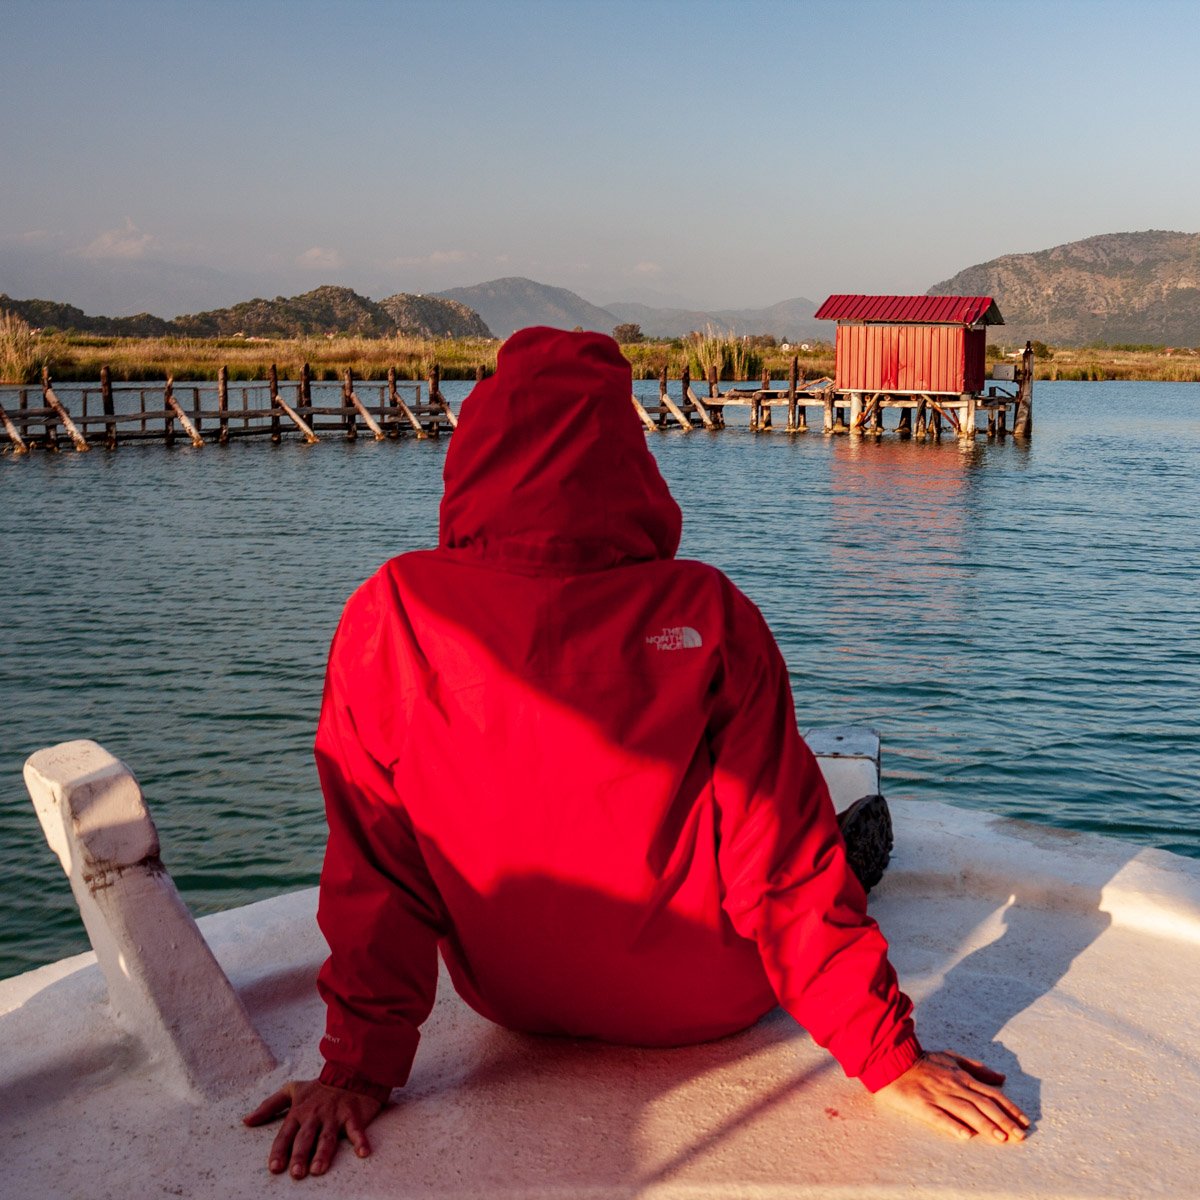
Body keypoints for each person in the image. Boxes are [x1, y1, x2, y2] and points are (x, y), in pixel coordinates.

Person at [244, 327, 1029, 1179]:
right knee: (832, 831)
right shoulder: (710, 612)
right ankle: (862, 831)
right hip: (708, 1003)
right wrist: (887, 1056)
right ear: (628, 459)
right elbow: (782, 868)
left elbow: (375, 871)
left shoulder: (392, 613)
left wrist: (355, 1071)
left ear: (473, 452)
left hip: (513, 1001)